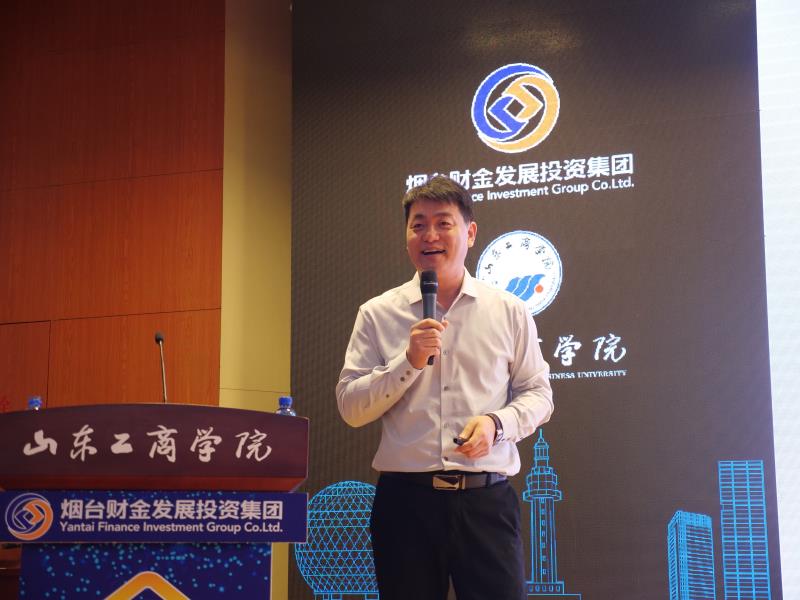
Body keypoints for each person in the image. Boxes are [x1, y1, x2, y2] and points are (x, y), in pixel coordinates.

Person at [336, 175, 553, 600]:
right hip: (406, 506)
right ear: (406, 237)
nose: (430, 235)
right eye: (418, 225)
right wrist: (409, 361)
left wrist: (497, 424)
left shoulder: (508, 310)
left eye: (443, 223)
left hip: (486, 503)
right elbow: (351, 407)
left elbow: (538, 393)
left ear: (470, 233)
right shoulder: (377, 313)